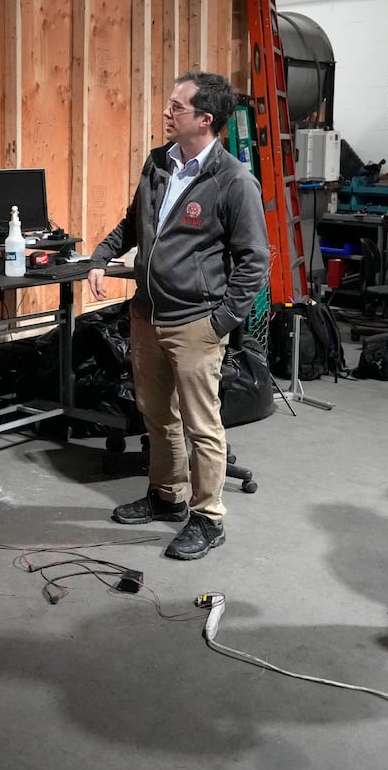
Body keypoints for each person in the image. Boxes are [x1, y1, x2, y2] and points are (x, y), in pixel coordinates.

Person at [86, 70, 269, 561]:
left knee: (201, 425)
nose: (167, 114)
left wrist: (221, 321)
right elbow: (132, 223)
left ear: (204, 120)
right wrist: (101, 256)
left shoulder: (233, 181)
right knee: (155, 412)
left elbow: (255, 260)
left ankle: (208, 519)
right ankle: (168, 495)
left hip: (196, 322)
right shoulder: (158, 163)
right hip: (146, 314)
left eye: (176, 107)